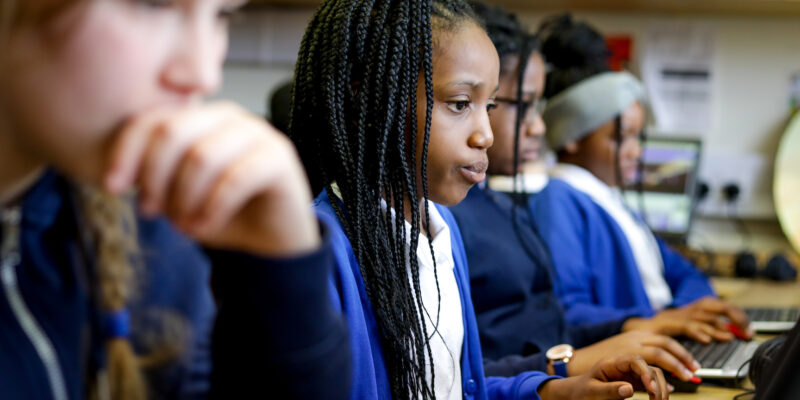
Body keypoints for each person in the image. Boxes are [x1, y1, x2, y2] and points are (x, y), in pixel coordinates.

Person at [290, 0, 668, 399]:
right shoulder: (319, 251)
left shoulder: (441, 227)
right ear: (367, 104)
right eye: (459, 104)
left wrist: (554, 390)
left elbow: (460, 390)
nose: (485, 134)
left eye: (489, 106)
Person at [0, 1, 349, 399]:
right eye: (152, 4)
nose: (203, 73)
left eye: (222, 15)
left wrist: (283, 283)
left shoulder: (152, 233)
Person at [449, 1, 700, 383]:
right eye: (464, 104)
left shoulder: (499, 204)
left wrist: (628, 329)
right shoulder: (447, 217)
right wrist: (565, 366)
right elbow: (460, 376)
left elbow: (550, 323)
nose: (537, 128)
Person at [527, 14, 750, 341]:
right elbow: (568, 312)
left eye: (637, 137)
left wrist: (682, 314)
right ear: (572, 135)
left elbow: (687, 273)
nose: (635, 151)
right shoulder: (559, 199)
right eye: (621, 138)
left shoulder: (610, 201)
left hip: (658, 339)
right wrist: (663, 319)